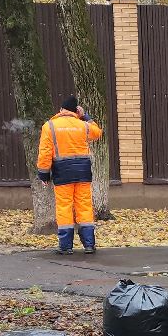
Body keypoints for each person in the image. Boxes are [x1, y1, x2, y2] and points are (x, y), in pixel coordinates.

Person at [36, 96, 104, 254]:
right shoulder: (83, 125)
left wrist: (44, 174)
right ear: (76, 111)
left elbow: (45, 153)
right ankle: (89, 244)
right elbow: (97, 133)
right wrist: (85, 116)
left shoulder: (50, 126)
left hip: (62, 172)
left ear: (61, 110)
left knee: (64, 207)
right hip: (83, 171)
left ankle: (66, 246)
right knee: (84, 205)